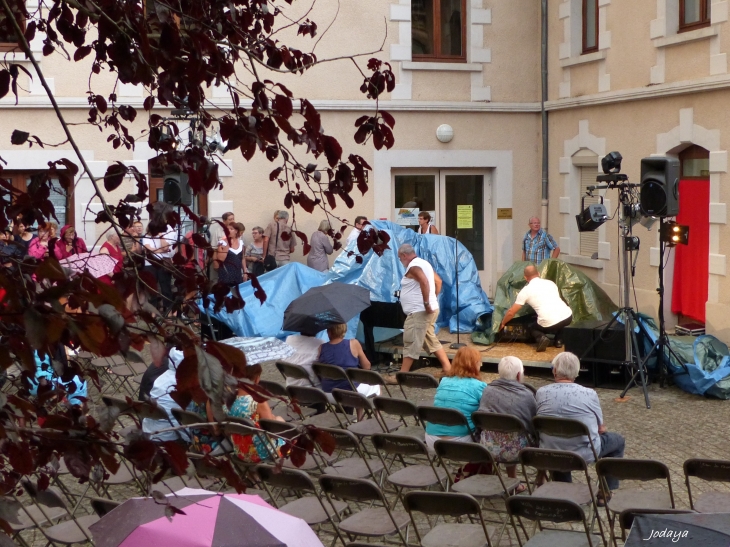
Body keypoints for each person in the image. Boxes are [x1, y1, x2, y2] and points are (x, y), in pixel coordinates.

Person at [536, 352, 625, 499]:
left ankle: (565, 490)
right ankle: (605, 491)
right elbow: (600, 428)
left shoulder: (541, 392)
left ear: (554, 370)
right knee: (618, 441)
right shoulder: (589, 394)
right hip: (584, 454)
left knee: (557, 441)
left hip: (551, 452)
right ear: (577, 372)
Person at [383, 244, 451, 384]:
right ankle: (448, 368)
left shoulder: (413, 267)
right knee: (430, 339)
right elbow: (438, 281)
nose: (400, 261)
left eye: (400, 258)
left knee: (411, 342)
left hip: (419, 311)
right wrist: (432, 299)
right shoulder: (425, 263)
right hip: (427, 309)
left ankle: (401, 376)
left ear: (404, 256)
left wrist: (426, 303)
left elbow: (424, 281)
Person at [478, 356, 536, 483]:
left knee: (507, 433)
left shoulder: (487, 390)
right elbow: (533, 426)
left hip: (488, 447)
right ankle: (540, 479)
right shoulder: (527, 396)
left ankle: (511, 480)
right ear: (519, 374)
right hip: (518, 451)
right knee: (520, 435)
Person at [424, 347, 486, 451]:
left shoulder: (443, 381)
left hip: (432, 440)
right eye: (480, 363)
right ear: (475, 364)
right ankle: (478, 466)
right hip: (460, 442)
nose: (480, 365)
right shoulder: (480, 386)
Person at [499, 264, 573, 352]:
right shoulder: (551, 283)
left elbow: (511, 312)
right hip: (568, 316)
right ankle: (558, 341)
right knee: (559, 318)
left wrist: (503, 323)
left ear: (525, 278)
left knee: (532, 327)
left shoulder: (525, 291)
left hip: (549, 323)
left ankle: (541, 338)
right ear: (538, 273)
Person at [226, 364, 285, 463]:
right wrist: (278, 420)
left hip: (240, 452)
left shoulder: (227, 401)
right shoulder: (258, 401)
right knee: (291, 436)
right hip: (263, 453)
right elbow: (272, 432)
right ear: (257, 379)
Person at [142, 347, 190, 443]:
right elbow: (185, 421)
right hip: (169, 438)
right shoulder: (184, 384)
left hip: (149, 432)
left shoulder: (162, 378)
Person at [214, 222, 248, 287]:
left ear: (236, 231)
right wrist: (228, 244)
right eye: (227, 229)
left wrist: (245, 272)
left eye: (231, 229)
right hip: (226, 274)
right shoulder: (222, 243)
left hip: (237, 274)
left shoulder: (240, 242)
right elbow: (221, 259)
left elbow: (242, 258)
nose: (228, 230)